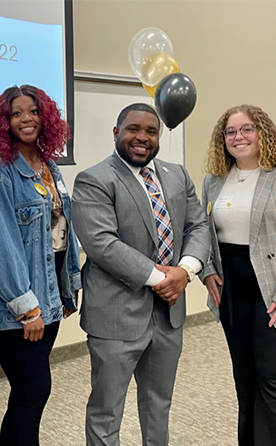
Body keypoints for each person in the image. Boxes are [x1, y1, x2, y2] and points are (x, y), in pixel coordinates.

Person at [72, 103, 210, 446]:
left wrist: (186, 269)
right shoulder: (94, 179)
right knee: (106, 411)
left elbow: (198, 226)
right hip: (116, 316)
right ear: (116, 132)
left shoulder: (176, 174)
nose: (142, 138)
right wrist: (163, 279)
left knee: (158, 406)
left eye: (151, 131)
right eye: (133, 129)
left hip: (168, 315)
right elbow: (102, 244)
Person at [200, 104, 276, 446]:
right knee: (245, 377)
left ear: (262, 132)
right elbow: (201, 232)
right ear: (222, 139)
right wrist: (207, 273)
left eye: (247, 129)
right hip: (232, 295)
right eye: (231, 132)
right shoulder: (214, 180)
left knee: (273, 378)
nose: (239, 137)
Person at [0, 84, 82, 446]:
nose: (27, 119)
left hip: (48, 296)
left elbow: (63, 233)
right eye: (17, 113)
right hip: (18, 306)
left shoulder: (50, 166)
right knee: (32, 390)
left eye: (34, 111)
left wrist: (67, 291)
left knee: (31, 394)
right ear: (3, 123)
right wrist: (28, 308)